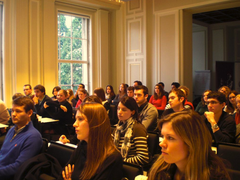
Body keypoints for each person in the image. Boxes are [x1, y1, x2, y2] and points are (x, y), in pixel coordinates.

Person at [146, 110, 230, 180]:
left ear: (191, 143)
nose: (161, 144)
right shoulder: (160, 170)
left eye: (170, 138)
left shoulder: (215, 176)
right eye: (162, 136)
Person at [61, 103, 123, 180]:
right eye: (76, 119)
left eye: (80, 119)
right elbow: (64, 174)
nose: (74, 124)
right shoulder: (82, 146)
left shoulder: (112, 158)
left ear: (95, 123)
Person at [0, 96, 42, 180]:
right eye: (12, 111)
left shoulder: (33, 137)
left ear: (29, 113)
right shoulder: (12, 130)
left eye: (18, 111)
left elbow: (18, 167)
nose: (13, 114)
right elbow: (3, 154)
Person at [114, 96, 149, 166]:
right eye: (118, 109)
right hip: (118, 164)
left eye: (124, 110)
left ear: (132, 112)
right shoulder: (118, 127)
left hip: (129, 167)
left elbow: (143, 157)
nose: (119, 112)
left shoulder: (137, 128)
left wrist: (122, 161)